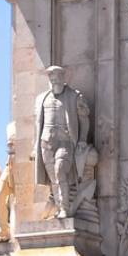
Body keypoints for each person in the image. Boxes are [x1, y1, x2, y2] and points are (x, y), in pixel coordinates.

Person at [34, 65, 93, 217]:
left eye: (57, 77)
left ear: (63, 77)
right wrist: (35, 147)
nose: (54, 80)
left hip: (65, 141)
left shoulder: (74, 96)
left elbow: (84, 119)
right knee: (54, 178)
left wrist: (82, 140)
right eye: (52, 77)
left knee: (60, 170)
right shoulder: (42, 98)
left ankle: (65, 208)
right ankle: (60, 207)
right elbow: (38, 124)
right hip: (46, 143)